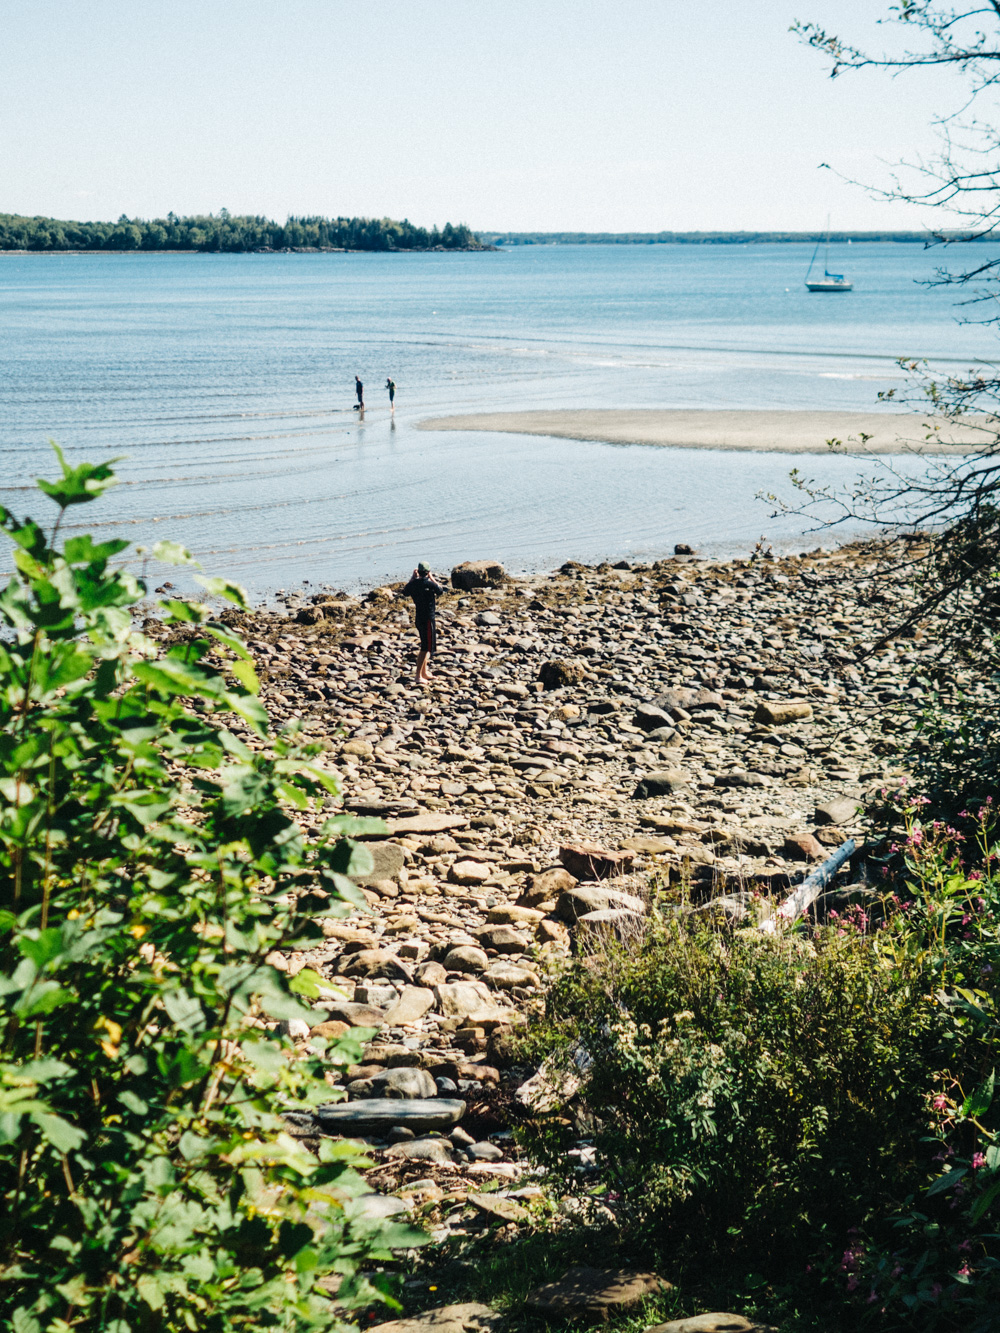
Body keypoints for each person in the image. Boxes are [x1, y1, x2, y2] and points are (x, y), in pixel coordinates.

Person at [402, 562, 445, 683]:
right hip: (428, 619)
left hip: (419, 618)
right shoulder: (430, 584)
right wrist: (432, 578)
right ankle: (418, 676)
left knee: (425, 645)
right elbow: (440, 590)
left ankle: (424, 672)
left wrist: (412, 577)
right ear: (427, 572)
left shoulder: (413, 584)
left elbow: (405, 591)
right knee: (425, 648)